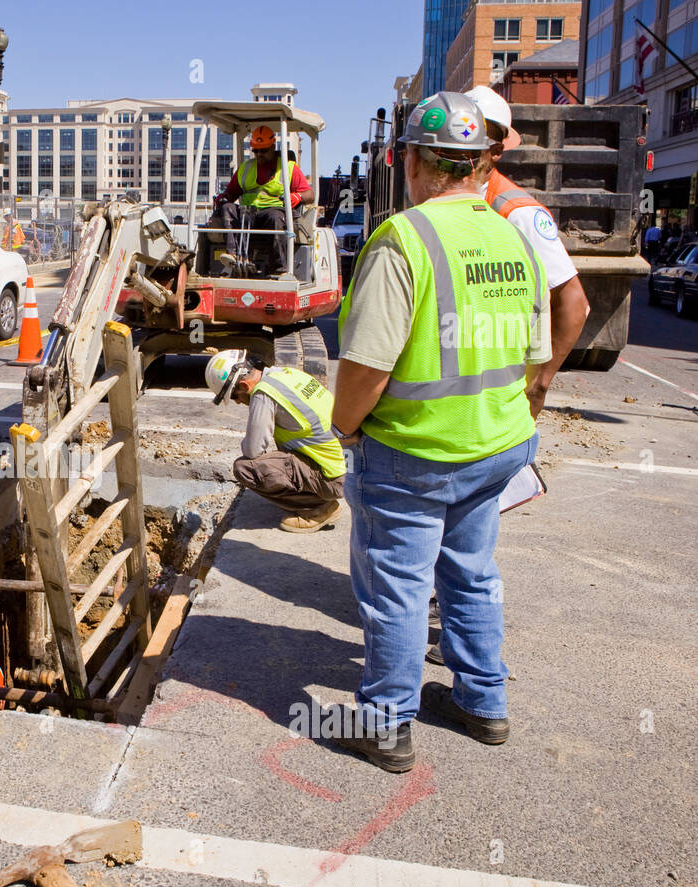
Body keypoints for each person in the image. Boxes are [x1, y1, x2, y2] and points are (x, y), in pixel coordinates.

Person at [329, 92, 551, 772]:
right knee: (472, 572)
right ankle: (484, 702)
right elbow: (535, 357)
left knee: (396, 585)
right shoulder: (512, 235)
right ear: (481, 162)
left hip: (417, 450)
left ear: (412, 162)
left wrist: (345, 430)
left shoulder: (404, 240)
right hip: (496, 443)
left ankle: (387, 724)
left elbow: (366, 368)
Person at [466, 87, 591, 418]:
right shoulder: (446, 197)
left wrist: (539, 384)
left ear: (496, 150)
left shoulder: (517, 212)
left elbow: (574, 303)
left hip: (498, 393)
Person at [207, 349, 345, 533]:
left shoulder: (263, 393)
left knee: (245, 468)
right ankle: (316, 496)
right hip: (349, 465)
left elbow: (253, 451)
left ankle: (318, 508)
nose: (238, 403)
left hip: (334, 478)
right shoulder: (288, 375)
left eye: (235, 397)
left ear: (244, 385)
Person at [211, 125, 315, 276]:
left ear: (273, 147)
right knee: (227, 208)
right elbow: (231, 193)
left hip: (273, 213)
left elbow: (309, 194)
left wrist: (297, 196)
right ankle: (234, 256)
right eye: (256, 151)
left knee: (275, 218)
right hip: (247, 213)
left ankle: (280, 269)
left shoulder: (289, 167)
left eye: (264, 150)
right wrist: (223, 199)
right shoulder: (245, 168)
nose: (259, 154)